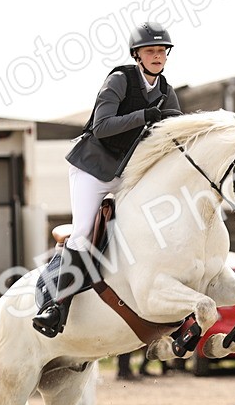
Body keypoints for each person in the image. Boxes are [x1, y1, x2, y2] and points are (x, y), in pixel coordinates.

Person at [32, 21, 183, 338]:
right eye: (150, 51)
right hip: (93, 168)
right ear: (137, 55)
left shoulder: (166, 91)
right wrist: (144, 116)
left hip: (128, 172)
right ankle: (56, 306)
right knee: (83, 232)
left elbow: (175, 135)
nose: (157, 56)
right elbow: (102, 127)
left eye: (162, 51)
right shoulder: (119, 80)